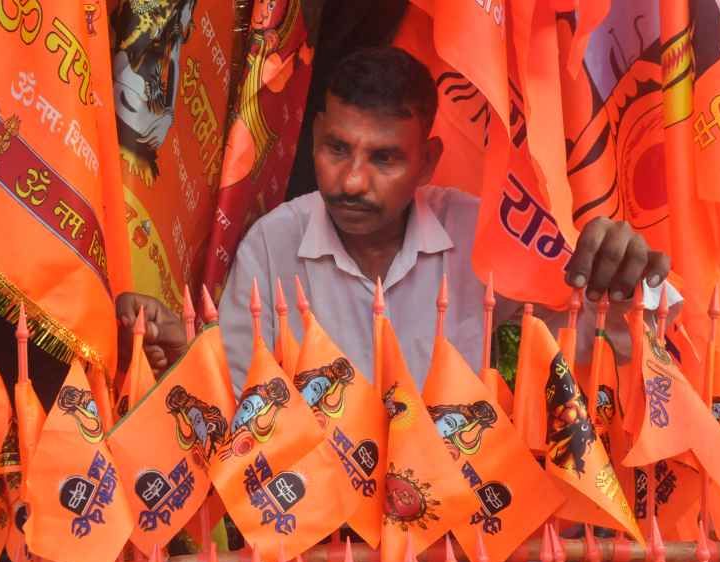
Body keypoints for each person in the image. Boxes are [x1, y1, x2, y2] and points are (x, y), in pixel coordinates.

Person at [116, 45, 671, 392]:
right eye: (337, 149)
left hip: (453, 537)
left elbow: (580, 338)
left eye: (385, 158)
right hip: (316, 543)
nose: (353, 181)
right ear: (314, 139)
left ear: (427, 161)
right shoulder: (273, 244)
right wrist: (181, 363)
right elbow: (237, 396)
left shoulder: (478, 233)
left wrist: (616, 284)